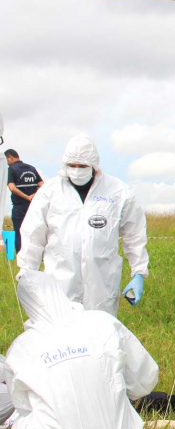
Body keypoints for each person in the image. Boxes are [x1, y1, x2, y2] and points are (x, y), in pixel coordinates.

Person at [4, 271, 158, 429]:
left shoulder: (22, 346)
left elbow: (22, 406)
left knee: (18, 427)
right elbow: (145, 379)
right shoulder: (103, 322)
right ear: (59, 292)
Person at [18, 135, 149, 316]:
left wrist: (138, 272)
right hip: (60, 282)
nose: (77, 170)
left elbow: (134, 234)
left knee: (100, 336)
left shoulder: (118, 192)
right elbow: (33, 234)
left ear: (94, 166)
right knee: (63, 335)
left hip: (102, 283)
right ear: (65, 165)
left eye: (83, 166)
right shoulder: (50, 192)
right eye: (72, 166)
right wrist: (26, 271)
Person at [5, 149, 43, 252]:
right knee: (34, 231)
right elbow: (42, 185)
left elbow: (12, 188)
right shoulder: (31, 168)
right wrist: (34, 196)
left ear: (10, 158)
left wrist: (27, 197)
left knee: (19, 232)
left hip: (19, 207)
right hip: (33, 206)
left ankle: (21, 257)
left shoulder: (11, 169)